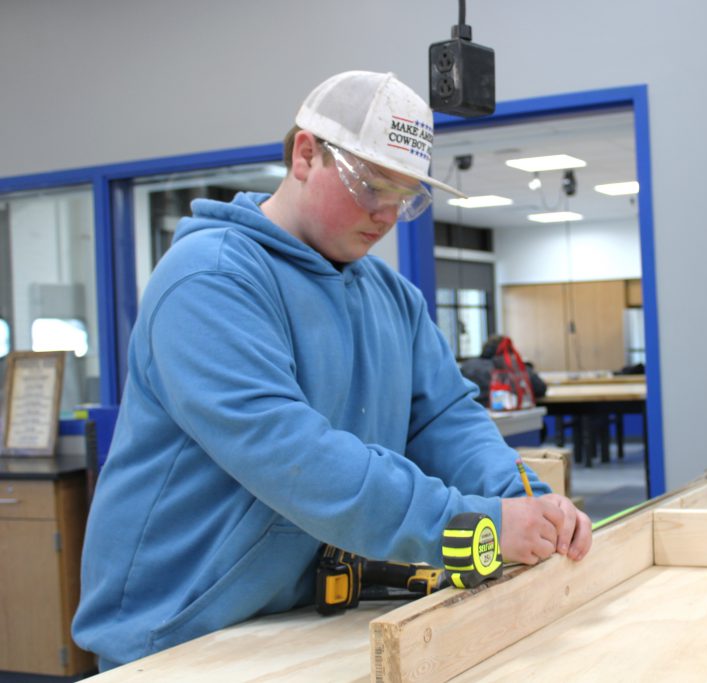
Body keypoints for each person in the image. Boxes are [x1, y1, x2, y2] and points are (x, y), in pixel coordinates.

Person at [72, 71, 592, 669]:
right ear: (305, 154)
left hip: (298, 622)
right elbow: (290, 452)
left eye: (406, 197)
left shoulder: (392, 298)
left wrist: (524, 499)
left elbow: (445, 420)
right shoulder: (210, 280)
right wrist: (472, 525)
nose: (387, 214)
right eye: (371, 186)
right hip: (178, 632)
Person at [460, 334, 547, 407]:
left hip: (471, 416)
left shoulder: (466, 366)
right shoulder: (510, 367)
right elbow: (540, 388)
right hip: (507, 417)